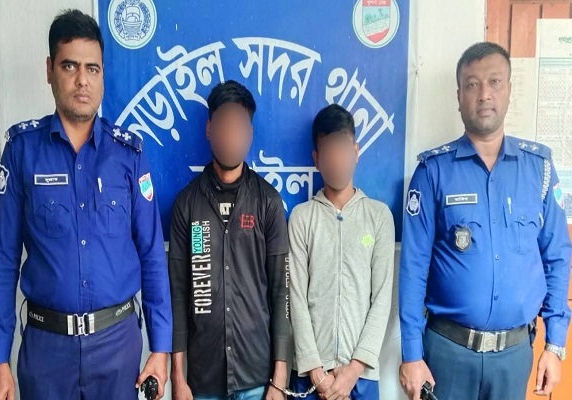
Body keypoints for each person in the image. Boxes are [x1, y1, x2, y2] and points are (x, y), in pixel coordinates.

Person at [0, 10, 172, 400]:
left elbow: (152, 254)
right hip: (46, 352)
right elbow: (1, 260)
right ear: (49, 70)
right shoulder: (22, 152)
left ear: (103, 75)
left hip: (117, 346)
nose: (82, 80)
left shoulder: (129, 155)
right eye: (70, 66)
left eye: (92, 69)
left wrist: (161, 348)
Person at [399, 42, 571, 400]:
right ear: (459, 96)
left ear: (509, 90)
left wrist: (555, 345)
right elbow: (413, 267)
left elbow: (556, 257)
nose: (484, 94)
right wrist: (411, 355)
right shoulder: (433, 172)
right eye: (472, 84)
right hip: (447, 353)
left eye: (494, 82)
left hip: (514, 356)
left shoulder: (539, 169)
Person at [168, 80, 290, 400]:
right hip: (202, 379)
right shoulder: (187, 205)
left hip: (257, 378)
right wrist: (177, 377)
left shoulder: (268, 202)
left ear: (250, 134)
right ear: (209, 129)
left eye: (240, 126)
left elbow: (281, 291)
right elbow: (178, 295)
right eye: (224, 124)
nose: (232, 134)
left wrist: (279, 379)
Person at [288, 104, 395, 400]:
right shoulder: (301, 218)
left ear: (356, 150)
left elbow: (382, 298)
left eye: (343, 148)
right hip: (310, 377)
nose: (337, 159)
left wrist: (353, 370)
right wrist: (316, 372)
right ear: (316, 158)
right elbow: (295, 297)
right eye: (329, 150)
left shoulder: (379, 217)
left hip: (361, 377)